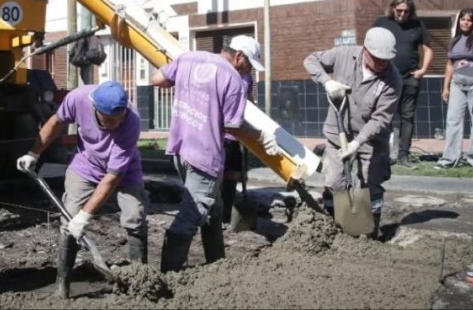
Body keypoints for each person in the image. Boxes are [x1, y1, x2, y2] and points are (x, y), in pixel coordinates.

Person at [151, 35, 281, 272]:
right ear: (238, 56)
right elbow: (232, 127)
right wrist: (261, 136)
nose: (249, 69)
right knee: (191, 216)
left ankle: (216, 266)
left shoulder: (189, 58)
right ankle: (168, 278)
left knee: (212, 208)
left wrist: (188, 87)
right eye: (249, 64)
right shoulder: (234, 80)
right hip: (205, 156)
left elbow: (157, 79)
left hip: (180, 148)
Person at [16, 81, 146, 299]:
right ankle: (62, 286)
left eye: (119, 118)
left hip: (125, 172)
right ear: (94, 108)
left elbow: (112, 177)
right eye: (109, 119)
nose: (115, 123)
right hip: (85, 166)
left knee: (135, 217)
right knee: (69, 221)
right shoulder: (78, 98)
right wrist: (34, 153)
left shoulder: (131, 122)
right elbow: (56, 122)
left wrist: (86, 216)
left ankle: (140, 281)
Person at [303, 27, 402, 239]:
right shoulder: (344, 54)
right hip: (336, 132)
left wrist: (357, 143)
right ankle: (336, 231)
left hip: (371, 140)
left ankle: (369, 237)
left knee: (369, 185)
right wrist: (327, 81)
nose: (382, 63)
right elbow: (311, 60)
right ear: (365, 50)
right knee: (335, 182)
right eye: (377, 58)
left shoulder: (393, 79)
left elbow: (380, 119)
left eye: (386, 59)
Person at [373, 0, 433, 168]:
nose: (402, 14)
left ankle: (403, 156)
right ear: (392, 8)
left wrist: (423, 70)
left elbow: (428, 49)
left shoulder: (417, 25)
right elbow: (370, 47)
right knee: (385, 116)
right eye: (399, 10)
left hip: (410, 78)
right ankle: (383, 154)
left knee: (407, 117)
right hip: (387, 78)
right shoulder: (381, 23)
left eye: (406, 11)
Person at [435, 8, 473, 172]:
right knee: (453, 120)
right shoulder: (455, 39)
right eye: (463, 19)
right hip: (457, 83)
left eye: (469, 20)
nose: (465, 22)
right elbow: (449, 65)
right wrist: (445, 87)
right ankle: (449, 158)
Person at [221, 70, 254, 224]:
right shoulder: (223, 72)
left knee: (233, 173)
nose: (250, 67)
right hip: (221, 134)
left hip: (237, 135)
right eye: (249, 63)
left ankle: (226, 212)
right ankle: (215, 214)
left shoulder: (247, 76)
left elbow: (249, 99)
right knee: (218, 174)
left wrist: (252, 122)